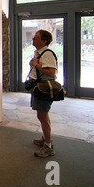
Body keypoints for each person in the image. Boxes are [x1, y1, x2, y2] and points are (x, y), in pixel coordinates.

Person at [29, 30, 57, 158]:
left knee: (43, 116)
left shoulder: (47, 54)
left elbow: (51, 72)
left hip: (44, 88)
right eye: (34, 36)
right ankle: (46, 139)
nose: (33, 38)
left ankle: (48, 146)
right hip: (38, 87)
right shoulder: (39, 53)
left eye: (37, 37)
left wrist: (37, 65)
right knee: (41, 116)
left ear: (44, 41)